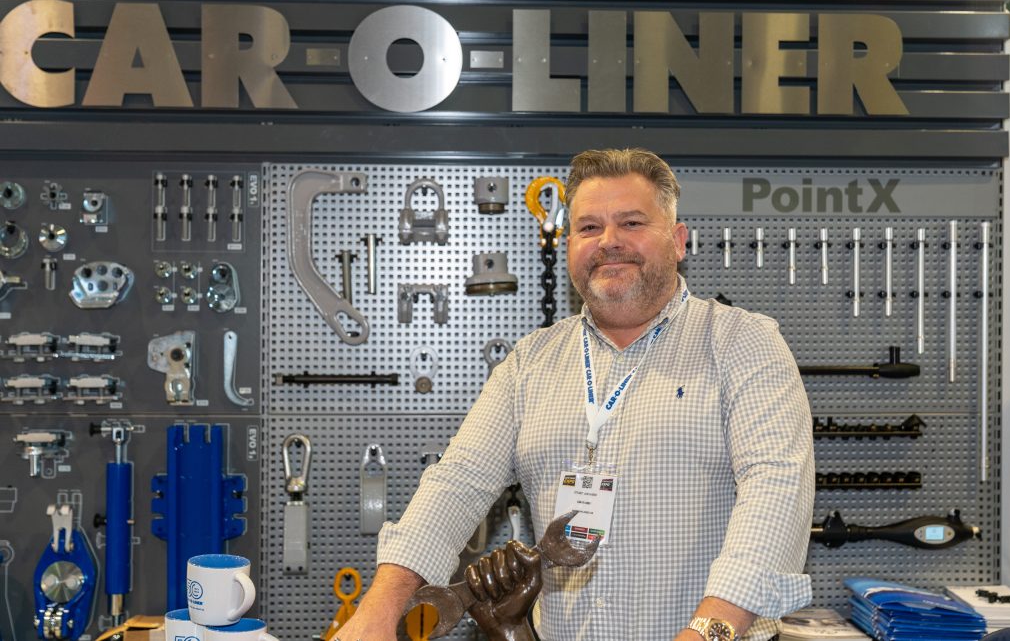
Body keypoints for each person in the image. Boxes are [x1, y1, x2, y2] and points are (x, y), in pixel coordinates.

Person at [332, 148, 815, 641]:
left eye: (631, 223)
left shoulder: (743, 343)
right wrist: (379, 609)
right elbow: (458, 482)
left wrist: (708, 632)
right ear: (569, 247)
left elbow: (776, 490)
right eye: (588, 228)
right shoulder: (530, 362)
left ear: (677, 241)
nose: (609, 241)